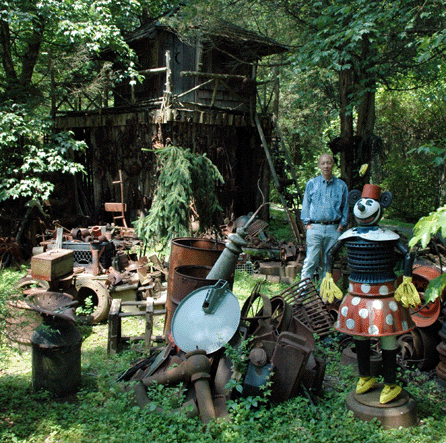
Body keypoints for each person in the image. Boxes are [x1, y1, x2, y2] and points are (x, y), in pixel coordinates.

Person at [300, 153, 348, 281]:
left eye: (329, 163)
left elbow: (346, 207)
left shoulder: (341, 185)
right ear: (319, 166)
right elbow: (305, 205)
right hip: (314, 227)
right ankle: (303, 292)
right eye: (323, 163)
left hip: (333, 229)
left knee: (328, 263)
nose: (326, 166)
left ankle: (324, 294)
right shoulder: (312, 183)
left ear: (333, 164)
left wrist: (341, 226)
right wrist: (307, 224)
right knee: (311, 261)